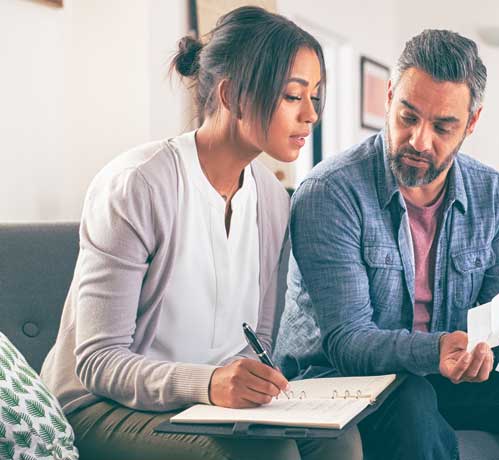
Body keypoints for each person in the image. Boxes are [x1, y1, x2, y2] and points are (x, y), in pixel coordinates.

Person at [40, 6, 361, 460]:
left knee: (340, 442)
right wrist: (208, 384)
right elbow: (98, 362)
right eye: (293, 96)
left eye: (316, 97)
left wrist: (255, 385)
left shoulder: (273, 201)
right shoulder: (138, 185)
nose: (311, 115)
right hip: (101, 408)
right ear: (231, 95)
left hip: (206, 406)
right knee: (269, 456)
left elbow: (258, 342)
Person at [273, 29, 499, 460]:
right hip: (338, 381)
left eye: (442, 126)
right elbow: (348, 341)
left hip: (442, 371)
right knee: (413, 397)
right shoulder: (331, 192)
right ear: (388, 98)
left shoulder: (493, 194)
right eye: (408, 117)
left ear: (471, 124)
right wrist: (436, 350)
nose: (420, 140)